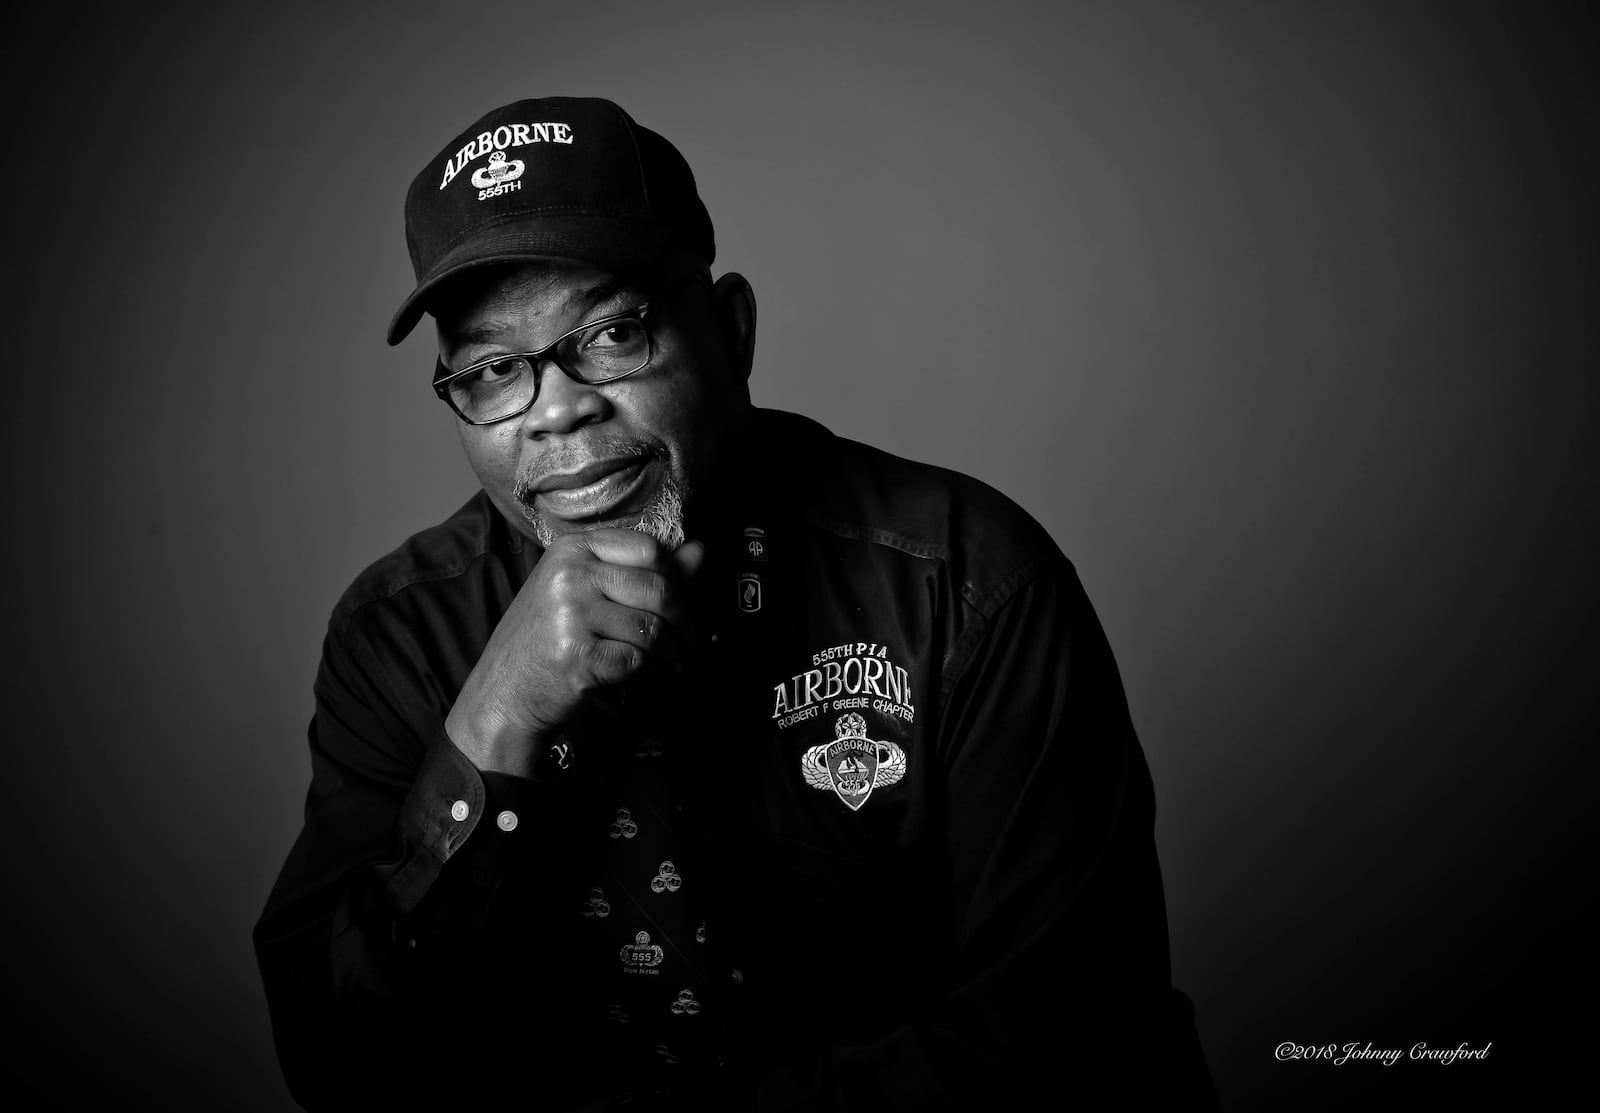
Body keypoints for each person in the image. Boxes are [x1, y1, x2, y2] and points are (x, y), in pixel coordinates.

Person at [254, 96, 1218, 1111]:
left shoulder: (965, 583)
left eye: (614, 332)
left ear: (730, 332)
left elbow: (1071, 1044)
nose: (558, 408)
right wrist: (488, 736)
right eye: (494, 371)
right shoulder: (401, 637)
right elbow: (342, 1067)